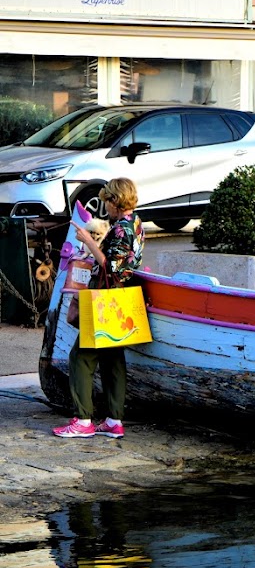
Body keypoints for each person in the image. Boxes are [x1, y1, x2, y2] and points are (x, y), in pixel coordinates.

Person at [55, 177, 144, 440]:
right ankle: (114, 421)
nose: (105, 206)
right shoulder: (136, 223)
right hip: (122, 300)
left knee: (81, 358)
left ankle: (83, 421)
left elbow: (110, 268)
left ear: (115, 201)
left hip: (106, 300)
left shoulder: (119, 230)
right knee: (112, 359)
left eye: (107, 201)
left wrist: (88, 240)